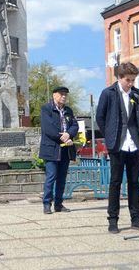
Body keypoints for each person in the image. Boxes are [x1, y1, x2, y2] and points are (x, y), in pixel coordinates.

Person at [96, 62, 139, 234]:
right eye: (128, 80)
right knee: (115, 182)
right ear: (119, 78)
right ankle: (113, 220)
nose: (131, 83)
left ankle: (136, 218)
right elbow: (100, 117)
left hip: (134, 144)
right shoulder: (108, 93)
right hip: (117, 145)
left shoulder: (137, 94)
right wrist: (110, 135)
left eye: (133, 80)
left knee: (134, 182)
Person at [39, 86, 79, 214]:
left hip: (65, 150)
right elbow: (48, 128)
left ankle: (59, 204)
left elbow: (74, 125)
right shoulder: (46, 109)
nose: (64, 96)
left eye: (65, 94)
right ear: (54, 95)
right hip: (51, 149)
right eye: (61, 94)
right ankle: (47, 204)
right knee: (51, 177)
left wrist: (69, 134)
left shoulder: (68, 110)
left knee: (62, 178)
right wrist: (64, 137)